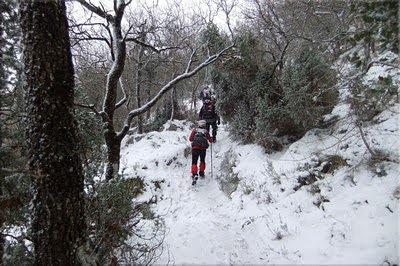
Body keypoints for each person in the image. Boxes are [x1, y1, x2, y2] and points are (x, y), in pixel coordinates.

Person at [189, 120, 214, 185]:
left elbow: (190, 139)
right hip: (203, 149)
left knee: (194, 161)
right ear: (205, 125)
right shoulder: (205, 131)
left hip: (195, 148)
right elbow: (211, 140)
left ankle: (194, 174)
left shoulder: (195, 130)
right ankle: (201, 172)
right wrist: (211, 138)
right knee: (202, 160)